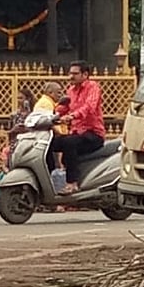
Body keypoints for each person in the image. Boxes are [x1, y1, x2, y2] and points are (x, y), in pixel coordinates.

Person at [52, 61, 105, 194]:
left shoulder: (93, 87)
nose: (71, 76)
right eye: (70, 73)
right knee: (49, 143)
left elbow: (89, 107)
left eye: (75, 73)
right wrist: (51, 115)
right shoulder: (71, 90)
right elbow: (64, 107)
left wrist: (72, 116)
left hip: (93, 134)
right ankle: (49, 180)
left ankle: (72, 184)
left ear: (85, 74)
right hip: (77, 133)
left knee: (69, 143)